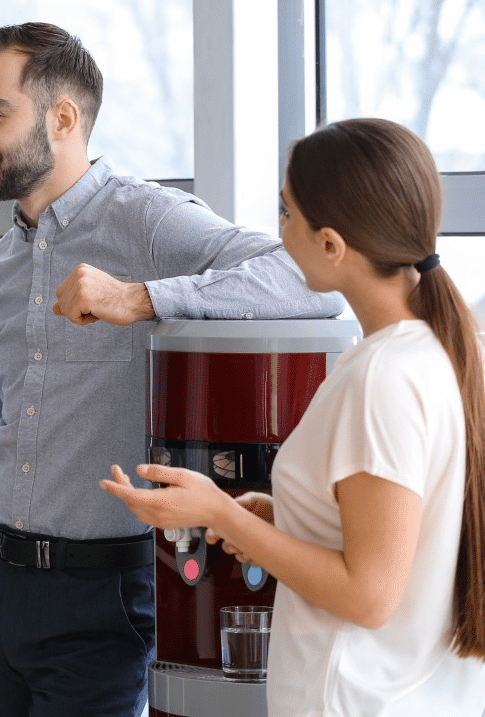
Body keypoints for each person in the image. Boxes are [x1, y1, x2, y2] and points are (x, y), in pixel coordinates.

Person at [0, 22, 343, 716]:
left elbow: (306, 279)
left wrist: (138, 299)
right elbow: (0, 439)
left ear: (63, 118)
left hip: (103, 599)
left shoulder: (149, 224)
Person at [101, 118, 485, 715]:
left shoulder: (380, 378)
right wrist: (283, 522)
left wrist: (218, 510)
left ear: (331, 244)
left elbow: (368, 596)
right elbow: (408, 534)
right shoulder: (443, 352)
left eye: (286, 215)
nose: (278, 235)